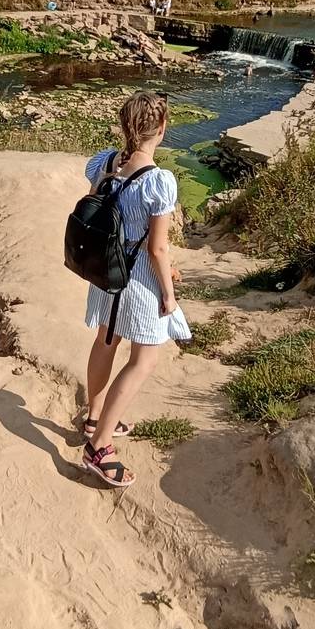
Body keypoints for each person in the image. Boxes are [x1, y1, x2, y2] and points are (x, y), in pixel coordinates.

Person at [81, 93, 191, 488]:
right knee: (144, 360)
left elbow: (101, 199)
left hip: (105, 269)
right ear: (161, 128)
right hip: (137, 279)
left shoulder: (105, 162)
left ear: (124, 124)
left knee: (106, 340)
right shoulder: (159, 181)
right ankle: (99, 446)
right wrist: (168, 293)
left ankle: (94, 417)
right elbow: (156, 248)